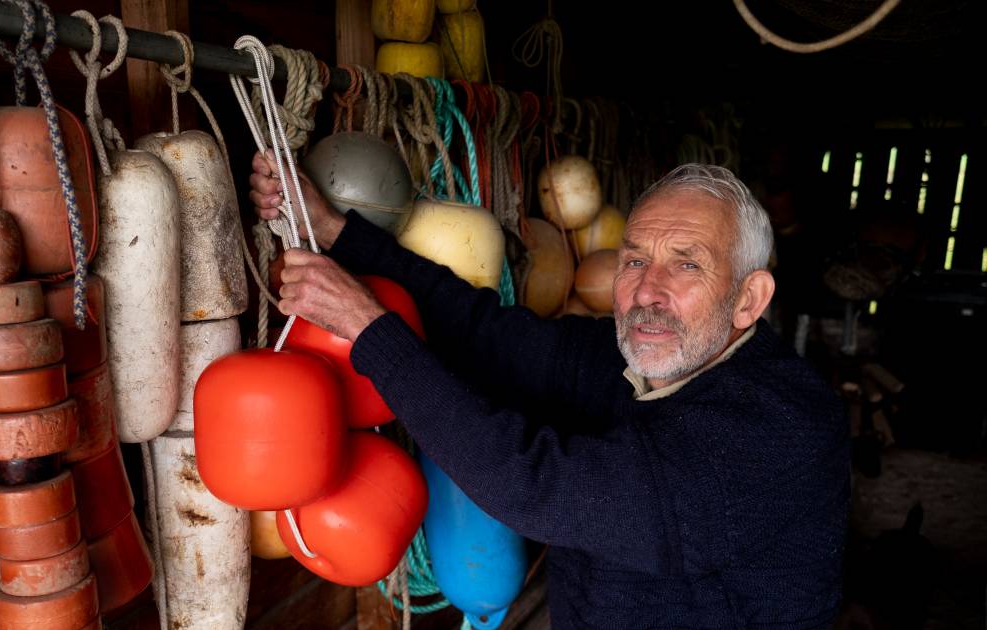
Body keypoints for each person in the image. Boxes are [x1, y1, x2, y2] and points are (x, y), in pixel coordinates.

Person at [249, 157, 849, 628]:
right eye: (635, 261)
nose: (647, 291)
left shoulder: (779, 426)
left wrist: (368, 330)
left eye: (687, 265)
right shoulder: (629, 357)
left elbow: (537, 484)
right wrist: (337, 233)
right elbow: (484, 334)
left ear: (750, 299)